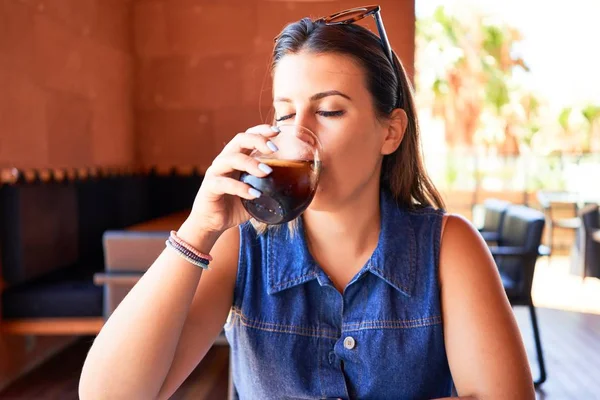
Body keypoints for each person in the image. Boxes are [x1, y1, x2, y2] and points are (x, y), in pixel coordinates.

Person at [79, 5, 535, 400]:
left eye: (330, 111)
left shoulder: (447, 246)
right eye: (285, 115)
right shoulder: (241, 248)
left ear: (390, 131)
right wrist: (199, 230)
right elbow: (107, 394)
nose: (301, 136)